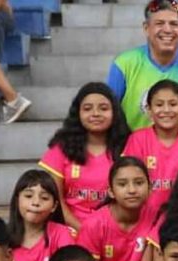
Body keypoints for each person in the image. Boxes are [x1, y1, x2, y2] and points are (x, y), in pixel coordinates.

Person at [107, 0, 178, 131]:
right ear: (146, 28)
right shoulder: (124, 65)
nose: (167, 30)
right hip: (133, 149)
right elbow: (108, 115)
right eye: (159, 23)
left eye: (174, 24)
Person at [39, 82, 131, 230]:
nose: (96, 114)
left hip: (116, 229)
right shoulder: (62, 148)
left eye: (103, 108)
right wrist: (83, 230)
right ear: (78, 113)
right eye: (88, 109)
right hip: (71, 229)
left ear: (115, 112)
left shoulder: (129, 146)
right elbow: (56, 200)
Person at [76, 157, 159, 261]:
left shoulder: (157, 217)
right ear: (111, 191)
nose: (132, 190)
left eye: (139, 183)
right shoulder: (94, 224)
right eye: (122, 184)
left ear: (150, 188)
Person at [123, 79, 178, 210]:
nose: (166, 110)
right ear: (149, 110)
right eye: (159, 105)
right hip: (145, 218)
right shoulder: (137, 139)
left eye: (173, 104)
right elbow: (129, 180)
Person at [7, 169, 77, 261]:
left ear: (54, 206)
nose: (35, 202)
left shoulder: (61, 233)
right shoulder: (2, 236)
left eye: (44, 198)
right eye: (28, 196)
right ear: (17, 200)